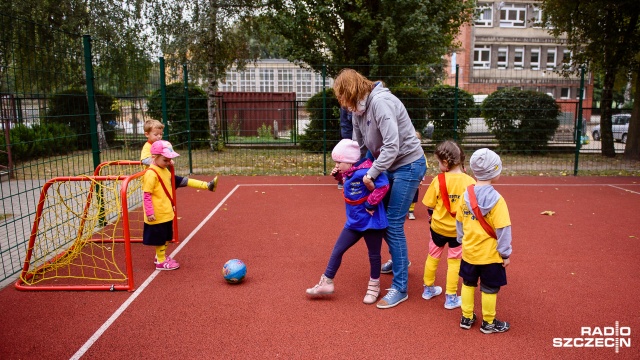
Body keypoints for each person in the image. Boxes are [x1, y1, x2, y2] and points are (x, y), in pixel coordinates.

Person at [333, 68, 427, 309]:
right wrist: (348, 171)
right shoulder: (357, 110)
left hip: (408, 164)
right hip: (386, 164)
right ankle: (400, 260)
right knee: (381, 216)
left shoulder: (381, 103)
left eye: (344, 98)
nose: (344, 105)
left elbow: (392, 146)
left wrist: (372, 174)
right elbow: (358, 148)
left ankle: (400, 287)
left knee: (394, 222)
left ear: (352, 91)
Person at [306, 139, 390, 304]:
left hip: (372, 222)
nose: (337, 164)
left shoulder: (367, 171)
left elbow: (384, 185)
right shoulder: (350, 172)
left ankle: (374, 286)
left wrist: (370, 203)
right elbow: (350, 186)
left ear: (350, 161)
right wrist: (339, 176)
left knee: (374, 255)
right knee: (338, 249)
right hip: (354, 222)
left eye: (339, 162)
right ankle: (327, 281)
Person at [456, 148, 512, 333]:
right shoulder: (497, 200)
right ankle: (488, 322)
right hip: (490, 256)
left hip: (469, 252)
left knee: (467, 283)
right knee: (489, 288)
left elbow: (459, 221)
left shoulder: (465, 196)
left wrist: (461, 238)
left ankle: (466, 316)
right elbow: (503, 229)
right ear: (495, 172)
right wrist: (505, 253)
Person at [421, 140, 475, 310]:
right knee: (454, 262)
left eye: (438, 162)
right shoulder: (469, 182)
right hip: (458, 231)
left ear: (446, 162)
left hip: (437, 228)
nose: (437, 166)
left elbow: (429, 204)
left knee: (432, 256)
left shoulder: (438, 180)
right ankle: (451, 297)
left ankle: (428, 288)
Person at [141, 120, 218, 192]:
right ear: (147, 134)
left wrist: (167, 160)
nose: (159, 137)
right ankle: (207, 185)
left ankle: (207, 185)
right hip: (154, 177)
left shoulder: (162, 144)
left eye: (161, 134)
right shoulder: (147, 146)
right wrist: (159, 161)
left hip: (164, 174)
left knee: (184, 180)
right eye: (156, 134)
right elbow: (144, 160)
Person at [143, 140, 182, 270]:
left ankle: (161, 256)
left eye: (170, 160)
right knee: (160, 238)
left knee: (166, 236)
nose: (168, 163)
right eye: (165, 160)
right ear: (154, 157)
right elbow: (147, 194)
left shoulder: (164, 169)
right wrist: (150, 212)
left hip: (166, 211)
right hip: (157, 213)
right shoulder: (151, 173)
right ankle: (160, 261)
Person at [337, 107, 353, 190]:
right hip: (349, 133)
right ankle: (343, 179)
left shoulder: (345, 102)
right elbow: (351, 118)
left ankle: (343, 179)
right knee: (349, 158)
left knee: (345, 158)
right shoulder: (349, 103)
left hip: (346, 132)